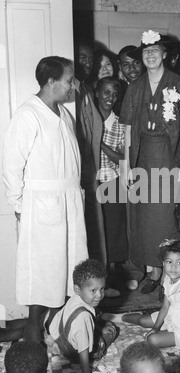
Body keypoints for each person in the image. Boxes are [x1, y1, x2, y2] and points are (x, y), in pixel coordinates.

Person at [2, 56, 88, 343]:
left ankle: (53, 322)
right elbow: (11, 166)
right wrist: (18, 206)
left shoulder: (64, 114)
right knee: (43, 268)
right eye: (68, 80)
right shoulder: (28, 114)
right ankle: (31, 330)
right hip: (41, 205)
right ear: (51, 81)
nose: (72, 85)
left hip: (68, 201)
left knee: (66, 267)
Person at [119, 30, 180, 293]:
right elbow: (127, 130)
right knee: (143, 217)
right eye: (146, 51)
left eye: (155, 50)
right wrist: (126, 165)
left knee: (166, 217)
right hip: (141, 156)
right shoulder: (134, 87)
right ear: (142, 56)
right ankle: (152, 270)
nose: (150, 55)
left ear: (164, 54)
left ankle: (170, 273)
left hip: (168, 155)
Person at [121, 239, 180, 365]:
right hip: (173, 315)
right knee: (142, 321)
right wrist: (156, 327)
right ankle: (120, 318)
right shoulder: (168, 278)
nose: (173, 267)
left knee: (152, 340)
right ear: (163, 263)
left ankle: (174, 338)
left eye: (179, 263)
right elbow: (165, 307)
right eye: (169, 262)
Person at [74, 41, 120, 298]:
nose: (87, 64)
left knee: (100, 230)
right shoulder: (77, 92)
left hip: (94, 175)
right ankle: (87, 289)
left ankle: (98, 286)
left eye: (89, 60)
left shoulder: (87, 91)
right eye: (82, 58)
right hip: (81, 173)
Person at [48, 258, 117, 373]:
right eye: (93, 291)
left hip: (60, 341)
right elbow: (83, 351)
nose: (99, 295)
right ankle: (99, 325)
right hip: (74, 353)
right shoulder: (84, 317)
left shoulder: (74, 298)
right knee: (112, 330)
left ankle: (98, 323)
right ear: (77, 289)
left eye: (102, 289)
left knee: (94, 322)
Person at [95, 77, 128, 270]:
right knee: (96, 229)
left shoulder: (119, 123)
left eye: (115, 94)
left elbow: (123, 159)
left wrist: (99, 143)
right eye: (107, 92)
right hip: (92, 182)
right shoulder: (88, 119)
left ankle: (115, 272)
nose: (110, 97)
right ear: (97, 93)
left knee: (114, 227)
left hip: (113, 182)